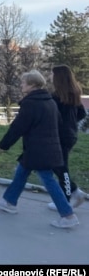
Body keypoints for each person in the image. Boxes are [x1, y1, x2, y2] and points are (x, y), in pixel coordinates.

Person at [0, 70, 79, 229]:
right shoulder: (50, 101)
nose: (21, 85)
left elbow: (17, 127)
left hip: (39, 150)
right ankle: (9, 202)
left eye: (23, 82)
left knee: (48, 179)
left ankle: (68, 215)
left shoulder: (30, 103)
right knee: (21, 172)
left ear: (32, 85)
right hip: (43, 148)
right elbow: (59, 124)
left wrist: (3, 145)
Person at [47, 64, 87, 210]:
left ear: (58, 77)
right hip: (70, 134)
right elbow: (82, 113)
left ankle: (67, 198)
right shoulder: (73, 94)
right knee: (58, 166)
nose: (50, 77)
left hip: (59, 136)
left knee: (61, 167)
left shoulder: (55, 97)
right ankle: (74, 192)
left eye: (52, 74)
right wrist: (71, 123)